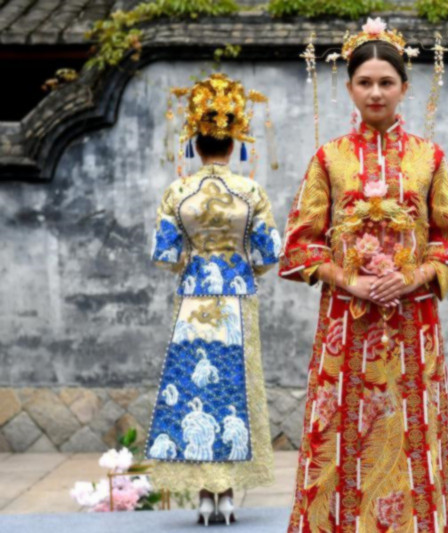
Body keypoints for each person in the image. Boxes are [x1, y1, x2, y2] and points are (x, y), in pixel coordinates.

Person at [279, 17, 448, 532]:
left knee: (412, 433)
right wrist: (347, 279)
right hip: (346, 323)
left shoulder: (429, 159)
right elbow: (299, 245)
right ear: (348, 88)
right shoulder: (329, 159)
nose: (375, 92)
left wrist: (413, 278)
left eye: (386, 82)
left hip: (413, 325)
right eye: (364, 82)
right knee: (342, 434)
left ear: (404, 88)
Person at [145, 73, 279, 526]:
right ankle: (229, 497)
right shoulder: (252, 192)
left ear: (194, 142)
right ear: (236, 140)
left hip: (195, 292)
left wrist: (194, 253)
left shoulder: (178, 192)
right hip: (238, 294)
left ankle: (205, 497)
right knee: (235, 388)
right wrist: (240, 262)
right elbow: (267, 254)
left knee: (193, 386)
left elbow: (165, 256)